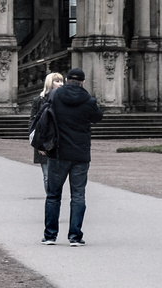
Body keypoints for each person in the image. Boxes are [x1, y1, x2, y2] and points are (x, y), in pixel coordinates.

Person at [42, 67, 102, 246]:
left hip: (58, 151)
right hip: (80, 153)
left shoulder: (54, 96)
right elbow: (98, 117)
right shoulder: (88, 100)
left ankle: (50, 235)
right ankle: (75, 236)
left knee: (53, 195)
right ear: (82, 82)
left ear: (67, 80)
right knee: (78, 195)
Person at [29, 72, 64, 191]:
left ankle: (53, 197)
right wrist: (38, 143)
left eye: (61, 81)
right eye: (57, 81)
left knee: (57, 175)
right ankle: (51, 198)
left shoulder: (64, 99)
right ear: (50, 83)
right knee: (46, 175)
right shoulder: (38, 100)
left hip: (59, 141)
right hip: (42, 140)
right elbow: (33, 122)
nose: (61, 84)